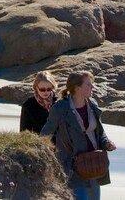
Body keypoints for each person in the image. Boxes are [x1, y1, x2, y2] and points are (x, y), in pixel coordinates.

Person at [40, 71, 116, 200]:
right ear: (77, 88)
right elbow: (46, 133)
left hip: (94, 163)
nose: (92, 87)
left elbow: (100, 132)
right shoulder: (60, 107)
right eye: (88, 85)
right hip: (72, 165)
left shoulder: (92, 104)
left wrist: (107, 143)